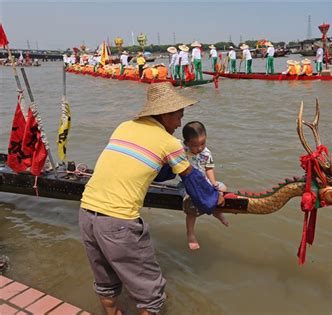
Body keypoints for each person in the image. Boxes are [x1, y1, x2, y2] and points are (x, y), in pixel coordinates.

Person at [79, 83, 225, 315]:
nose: (179, 123)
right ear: (166, 114)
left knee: (106, 283)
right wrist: (213, 201)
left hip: (87, 213)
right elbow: (193, 181)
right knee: (151, 296)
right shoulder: (168, 143)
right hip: (119, 222)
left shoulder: (124, 126)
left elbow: (145, 166)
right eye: (179, 116)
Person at [181, 121, 229, 250]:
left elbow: (209, 169)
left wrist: (213, 183)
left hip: (204, 181)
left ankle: (216, 211)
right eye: (195, 145)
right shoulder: (182, 151)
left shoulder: (206, 153)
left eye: (203, 143)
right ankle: (190, 233)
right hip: (188, 183)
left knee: (222, 188)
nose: (200, 148)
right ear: (186, 143)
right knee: (191, 204)